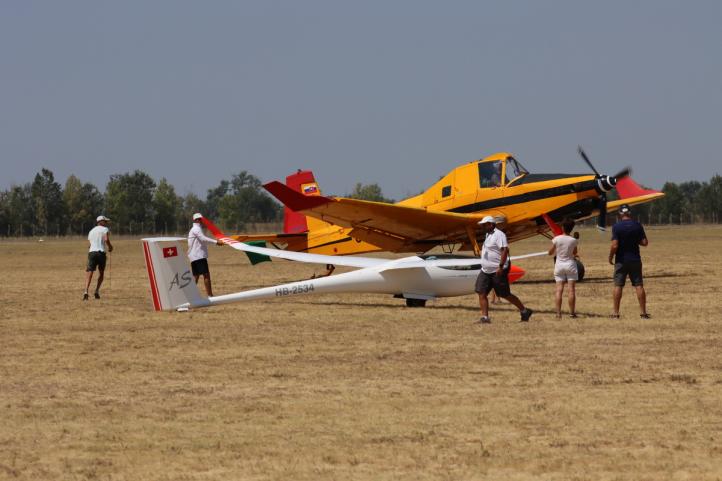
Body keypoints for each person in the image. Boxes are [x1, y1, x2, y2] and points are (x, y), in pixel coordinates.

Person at [475, 216, 533, 323]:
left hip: (497, 270)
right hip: (485, 270)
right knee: (481, 292)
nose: (482, 226)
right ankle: (485, 318)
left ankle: (524, 311)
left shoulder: (499, 235)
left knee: (504, 294)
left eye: (484, 224)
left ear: (491, 224)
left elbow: (504, 250)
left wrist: (501, 267)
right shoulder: (487, 234)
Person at [608, 204, 650, 318]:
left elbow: (614, 245)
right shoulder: (637, 225)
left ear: (620, 213)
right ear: (630, 213)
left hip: (621, 260)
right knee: (639, 285)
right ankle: (643, 313)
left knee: (618, 285)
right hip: (635, 259)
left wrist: (610, 257)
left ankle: (615, 313)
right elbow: (645, 243)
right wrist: (634, 240)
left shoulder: (616, 227)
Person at [548, 219, 578, 318]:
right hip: (570, 265)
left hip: (559, 265)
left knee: (559, 290)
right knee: (571, 290)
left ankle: (558, 313)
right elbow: (574, 253)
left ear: (562, 227)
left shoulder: (557, 239)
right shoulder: (573, 240)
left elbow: (550, 252)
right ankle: (572, 313)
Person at [188, 213, 223, 297]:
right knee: (206, 275)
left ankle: (189, 295)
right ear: (195, 220)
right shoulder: (196, 229)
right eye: (199, 219)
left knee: (196, 276)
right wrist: (216, 242)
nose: (201, 220)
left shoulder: (195, 229)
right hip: (199, 256)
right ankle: (210, 295)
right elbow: (203, 239)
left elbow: (202, 241)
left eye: (201, 219)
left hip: (194, 256)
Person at [84, 215, 113, 300]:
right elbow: (106, 239)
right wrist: (110, 247)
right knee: (101, 273)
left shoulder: (91, 231)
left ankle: (86, 291)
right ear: (100, 222)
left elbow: (89, 245)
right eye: (105, 221)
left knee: (90, 273)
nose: (106, 223)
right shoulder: (105, 229)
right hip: (101, 253)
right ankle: (96, 291)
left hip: (92, 253)